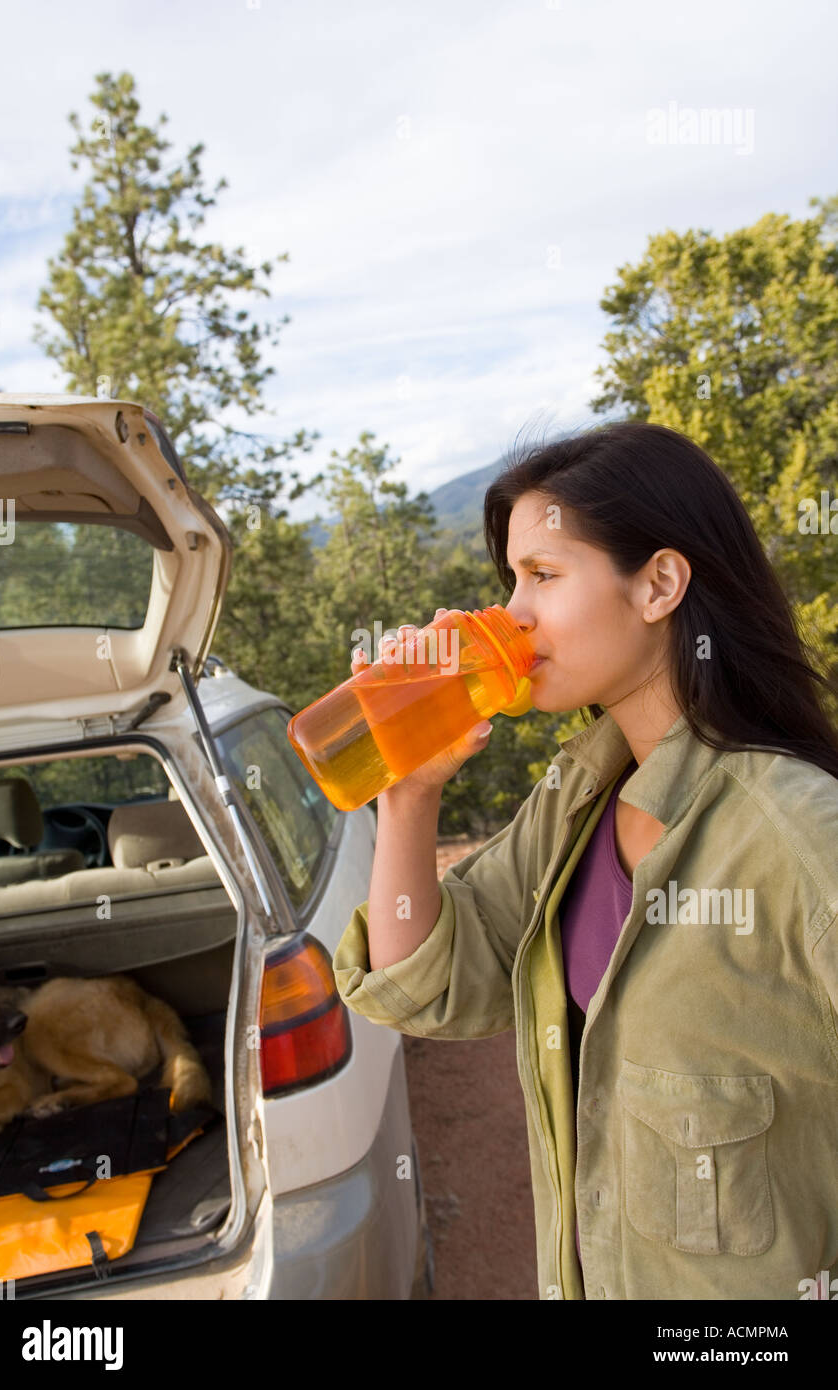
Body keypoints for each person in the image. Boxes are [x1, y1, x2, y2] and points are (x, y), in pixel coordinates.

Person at [332, 419, 838, 1301]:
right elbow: (418, 986)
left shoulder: (797, 834)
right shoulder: (578, 802)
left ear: (660, 585)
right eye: (511, 580)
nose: (511, 614)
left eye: (544, 575)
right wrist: (409, 796)